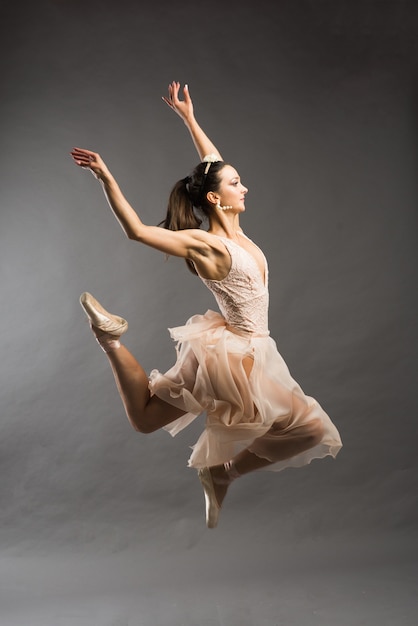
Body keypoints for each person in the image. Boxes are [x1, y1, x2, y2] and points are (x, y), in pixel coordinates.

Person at [71, 82, 342, 528]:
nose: (245, 187)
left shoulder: (234, 233)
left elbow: (212, 163)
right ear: (216, 198)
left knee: (145, 418)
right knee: (311, 430)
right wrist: (108, 178)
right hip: (239, 354)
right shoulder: (207, 244)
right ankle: (222, 472)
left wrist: (189, 118)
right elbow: (138, 231)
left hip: (233, 347)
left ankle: (111, 339)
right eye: (237, 183)